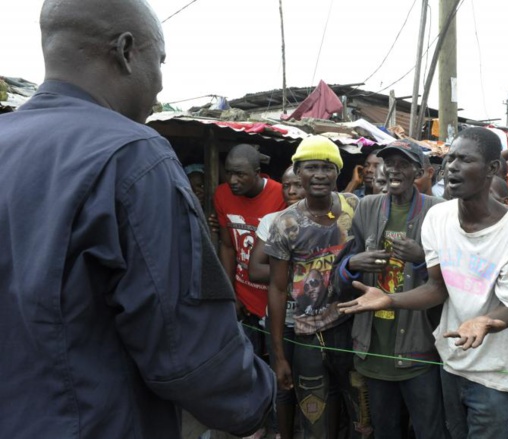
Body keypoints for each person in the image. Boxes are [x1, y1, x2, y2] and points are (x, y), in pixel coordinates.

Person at [0, 0, 275, 437]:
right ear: (127, 51)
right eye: (160, 61)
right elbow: (189, 352)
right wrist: (259, 401)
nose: (161, 85)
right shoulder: (134, 156)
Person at [339, 127, 508, 439]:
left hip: (492, 373)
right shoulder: (439, 218)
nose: (453, 167)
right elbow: (437, 288)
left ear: (491, 168)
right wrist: (389, 299)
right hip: (450, 362)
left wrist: (485, 322)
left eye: (465, 159)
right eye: (450, 159)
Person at [333, 139, 446, 439]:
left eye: (404, 164)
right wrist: (354, 263)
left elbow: (452, 279)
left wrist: (421, 258)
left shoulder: (438, 211)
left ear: (419, 171)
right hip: (374, 348)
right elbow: (340, 277)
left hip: (419, 349)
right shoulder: (367, 206)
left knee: (429, 430)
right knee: (385, 430)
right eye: (389, 163)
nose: (394, 169)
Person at [264, 136, 371, 438]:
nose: (320, 174)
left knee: (361, 417)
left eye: (327, 167)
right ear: (298, 172)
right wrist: (280, 356)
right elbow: (277, 287)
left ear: (338, 172)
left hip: (352, 328)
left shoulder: (354, 206)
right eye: (311, 167)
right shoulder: (285, 223)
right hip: (308, 336)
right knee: (315, 419)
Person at [247, 165, 304, 439]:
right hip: (281, 318)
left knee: (314, 386)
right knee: (283, 386)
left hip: (314, 321)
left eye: (297, 185)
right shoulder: (272, 220)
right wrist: (306, 268)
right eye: (286, 185)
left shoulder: (330, 220)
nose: (291, 191)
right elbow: (255, 270)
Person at [215, 143, 286, 357]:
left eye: (239, 174)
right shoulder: (222, 195)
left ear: (256, 173)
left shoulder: (280, 196)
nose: (232, 180)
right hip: (243, 300)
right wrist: (231, 294)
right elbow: (227, 247)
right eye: (228, 173)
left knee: (276, 364)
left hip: (274, 301)